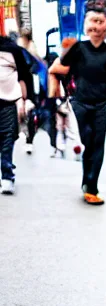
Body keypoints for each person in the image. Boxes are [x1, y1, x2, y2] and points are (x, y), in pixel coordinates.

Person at [49, 3, 106, 205]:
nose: (96, 26)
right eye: (93, 21)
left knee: (98, 146)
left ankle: (92, 187)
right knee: (87, 143)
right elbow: (59, 67)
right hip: (80, 103)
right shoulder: (77, 48)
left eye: (100, 22)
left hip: (101, 105)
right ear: (86, 25)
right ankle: (86, 181)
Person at [0, 34, 33, 194]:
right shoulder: (15, 49)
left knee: (7, 137)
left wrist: (26, 99)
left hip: (9, 100)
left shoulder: (14, 50)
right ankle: (6, 175)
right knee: (7, 138)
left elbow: (25, 75)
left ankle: (6, 175)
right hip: (10, 99)